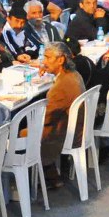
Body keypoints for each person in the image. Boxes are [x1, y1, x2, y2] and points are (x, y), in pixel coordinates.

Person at [38, 42, 86, 191]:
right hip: (74, 126)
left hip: (66, 133)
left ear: (60, 60)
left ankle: (48, 175)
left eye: (47, 58)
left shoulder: (62, 85)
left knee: (22, 132)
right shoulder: (73, 74)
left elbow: (45, 118)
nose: (44, 62)